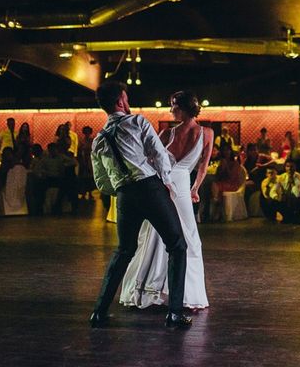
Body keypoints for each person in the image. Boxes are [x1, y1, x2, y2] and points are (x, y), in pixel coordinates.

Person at [89, 81, 190, 329]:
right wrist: (165, 182)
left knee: (124, 250)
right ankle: (174, 313)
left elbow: (101, 182)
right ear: (120, 102)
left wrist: (122, 188)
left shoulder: (98, 140)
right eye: (126, 96)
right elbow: (158, 154)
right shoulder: (137, 122)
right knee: (176, 245)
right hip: (149, 188)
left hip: (124, 195)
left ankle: (99, 312)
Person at [120, 90, 213, 311]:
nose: (171, 110)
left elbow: (151, 162)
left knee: (158, 236)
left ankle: (156, 291)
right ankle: (182, 295)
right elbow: (203, 165)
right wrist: (195, 188)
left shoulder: (165, 135)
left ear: (182, 107)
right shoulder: (206, 133)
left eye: (173, 106)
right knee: (185, 238)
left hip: (165, 185)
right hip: (178, 186)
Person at [277, 159, 300, 223]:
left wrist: (293, 183)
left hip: (297, 199)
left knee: (293, 197)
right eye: (287, 166)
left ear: (295, 167)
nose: (289, 169)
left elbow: (299, 194)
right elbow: (278, 190)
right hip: (285, 199)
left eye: (292, 166)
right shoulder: (281, 177)